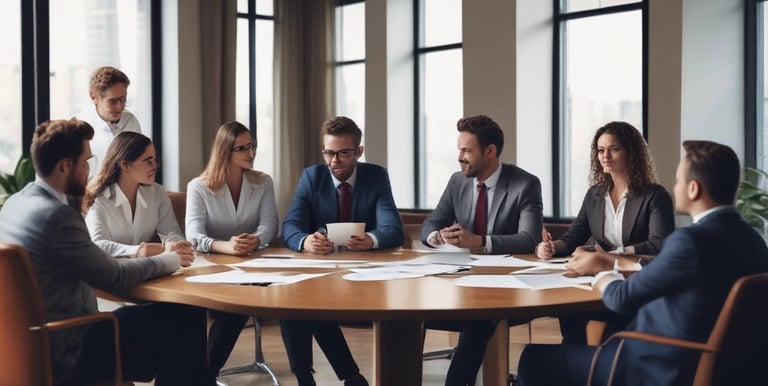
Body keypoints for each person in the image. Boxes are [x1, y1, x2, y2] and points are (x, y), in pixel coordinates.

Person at [517, 140, 768, 386]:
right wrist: (616, 262)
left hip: (659, 365)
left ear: (694, 189)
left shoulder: (689, 240)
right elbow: (677, 270)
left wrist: (602, 269)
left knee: (533, 360)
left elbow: (620, 299)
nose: (674, 185)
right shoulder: (754, 240)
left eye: (678, 179)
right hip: (725, 367)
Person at [0, 118, 213, 386]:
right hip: (72, 347)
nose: (91, 170)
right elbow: (115, 277)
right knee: (185, 315)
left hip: (23, 346)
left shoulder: (15, 204)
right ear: (66, 166)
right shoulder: (57, 216)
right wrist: (168, 259)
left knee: (172, 322)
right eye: (86, 162)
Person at [419, 114, 543, 386]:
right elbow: (430, 224)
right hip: (458, 279)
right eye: (459, 149)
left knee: (479, 321)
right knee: (410, 313)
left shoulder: (525, 184)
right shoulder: (457, 181)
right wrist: (438, 236)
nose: (460, 157)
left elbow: (529, 237)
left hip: (506, 287)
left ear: (490, 151)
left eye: (466, 150)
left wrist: (481, 242)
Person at [280, 116, 403, 386]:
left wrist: (371, 239)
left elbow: (393, 229)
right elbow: (289, 226)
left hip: (365, 277)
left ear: (358, 151)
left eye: (343, 153)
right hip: (320, 273)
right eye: (329, 152)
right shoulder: (312, 176)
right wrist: (305, 241)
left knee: (308, 306)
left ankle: (350, 376)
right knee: (294, 303)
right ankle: (307, 378)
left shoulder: (376, 176)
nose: (334, 160)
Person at [535, 121, 675, 344]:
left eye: (614, 149)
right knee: (567, 304)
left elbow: (659, 245)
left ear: (632, 152)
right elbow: (573, 237)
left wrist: (612, 253)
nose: (605, 156)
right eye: (600, 150)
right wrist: (552, 247)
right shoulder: (595, 194)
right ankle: (574, 353)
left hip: (635, 282)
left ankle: (598, 359)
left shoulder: (655, 196)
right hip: (598, 279)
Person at [186, 120, 279, 378]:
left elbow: (270, 225)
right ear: (225, 151)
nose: (251, 153)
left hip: (253, 268)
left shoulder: (263, 181)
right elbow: (193, 235)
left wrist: (256, 240)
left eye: (252, 146)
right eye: (242, 148)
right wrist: (224, 246)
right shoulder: (199, 187)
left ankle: (202, 377)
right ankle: (204, 376)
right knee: (235, 308)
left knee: (251, 303)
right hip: (211, 271)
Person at [82, 131, 189, 258]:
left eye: (154, 160)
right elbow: (98, 245)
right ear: (124, 165)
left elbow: (172, 232)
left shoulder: (157, 193)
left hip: (146, 270)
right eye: (148, 161)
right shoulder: (99, 199)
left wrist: (178, 247)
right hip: (109, 273)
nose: (154, 166)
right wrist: (141, 250)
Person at [76, 66, 142, 179]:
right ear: (94, 97)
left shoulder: (131, 121)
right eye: (113, 101)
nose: (120, 106)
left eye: (123, 99)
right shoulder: (78, 128)